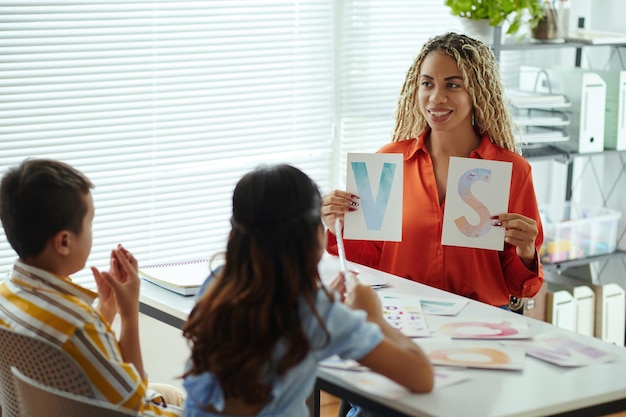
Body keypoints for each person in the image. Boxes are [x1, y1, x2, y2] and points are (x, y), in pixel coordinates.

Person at [181, 164, 434, 417]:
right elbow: (422, 376)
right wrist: (373, 318)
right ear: (317, 236)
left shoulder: (216, 284)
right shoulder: (317, 313)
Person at [323, 32, 544, 309]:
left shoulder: (512, 171)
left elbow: (520, 286)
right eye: (427, 84)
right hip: (402, 316)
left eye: (453, 85)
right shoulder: (389, 162)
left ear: (477, 91)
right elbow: (367, 265)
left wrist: (526, 251)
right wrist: (337, 225)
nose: (436, 98)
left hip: (480, 323)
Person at [0, 158, 184, 416]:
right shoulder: (78, 324)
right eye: (90, 223)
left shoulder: (7, 294)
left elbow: (73, 361)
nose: (91, 231)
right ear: (64, 241)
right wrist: (129, 313)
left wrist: (105, 310)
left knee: (171, 393)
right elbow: (135, 403)